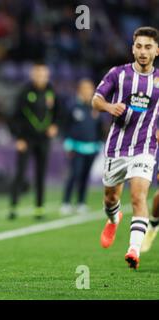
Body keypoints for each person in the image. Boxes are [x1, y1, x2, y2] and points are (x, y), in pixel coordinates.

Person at [92, 26, 159, 269]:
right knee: (111, 198)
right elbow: (95, 100)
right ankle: (113, 218)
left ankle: (134, 249)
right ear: (133, 48)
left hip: (145, 149)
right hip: (116, 148)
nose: (143, 51)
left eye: (148, 47)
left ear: (156, 50)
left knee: (139, 196)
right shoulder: (117, 74)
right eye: (139, 46)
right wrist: (109, 107)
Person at [8, 62, 59, 220]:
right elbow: (13, 117)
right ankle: (13, 207)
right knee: (20, 173)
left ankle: (39, 208)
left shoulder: (52, 91)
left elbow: (59, 112)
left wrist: (55, 126)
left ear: (47, 75)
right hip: (26, 139)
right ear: (32, 75)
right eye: (37, 74)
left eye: (43, 74)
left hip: (43, 139)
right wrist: (18, 138)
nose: (40, 77)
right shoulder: (24, 92)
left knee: (41, 174)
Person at [60, 79, 104, 215]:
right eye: (84, 89)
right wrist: (67, 142)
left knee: (85, 177)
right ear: (79, 90)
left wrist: (99, 143)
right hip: (76, 148)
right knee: (74, 175)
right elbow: (65, 126)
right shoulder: (72, 107)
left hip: (91, 148)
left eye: (89, 89)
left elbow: (100, 128)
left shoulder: (95, 108)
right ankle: (66, 203)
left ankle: (81, 203)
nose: (87, 91)